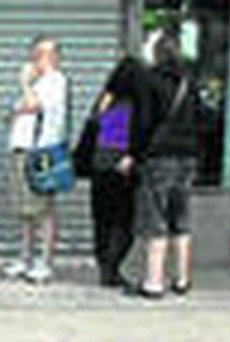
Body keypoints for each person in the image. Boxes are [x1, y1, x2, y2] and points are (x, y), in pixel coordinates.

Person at [128, 34, 199, 299]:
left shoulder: (150, 80)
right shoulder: (188, 82)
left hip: (159, 157)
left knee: (155, 217)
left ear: (155, 54)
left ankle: (153, 283)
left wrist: (135, 153)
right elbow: (202, 117)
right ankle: (182, 280)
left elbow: (143, 122)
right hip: (188, 156)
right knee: (181, 217)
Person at [7, 37, 67, 283]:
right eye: (34, 53)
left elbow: (30, 105)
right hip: (22, 149)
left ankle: (44, 262)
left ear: (52, 56)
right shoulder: (38, 82)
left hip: (41, 152)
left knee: (43, 210)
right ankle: (24, 258)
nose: (34, 59)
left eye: (40, 54)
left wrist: (23, 82)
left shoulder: (55, 81)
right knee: (25, 210)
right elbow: (15, 111)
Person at [86, 56, 149, 290]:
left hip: (99, 166)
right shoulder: (135, 102)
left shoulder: (104, 100)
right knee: (124, 222)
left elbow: (95, 131)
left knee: (102, 220)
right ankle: (112, 269)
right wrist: (132, 156)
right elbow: (135, 135)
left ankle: (105, 266)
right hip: (122, 167)